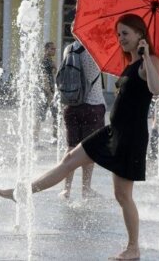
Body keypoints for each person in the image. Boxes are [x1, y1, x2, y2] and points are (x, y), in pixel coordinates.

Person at [0, 13, 159, 260]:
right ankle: (23, 193)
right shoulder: (129, 64)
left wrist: (146, 55)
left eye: (125, 33)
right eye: (119, 34)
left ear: (140, 34)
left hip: (131, 137)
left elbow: (157, 89)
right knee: (69, 160)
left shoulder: (151, 62)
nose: (120, 39)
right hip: (111, 132)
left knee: (123, 195)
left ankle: (133, 248)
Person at [59, 36, 106, 200]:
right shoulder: (96, 50)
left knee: (71, 147)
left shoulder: (69, 49)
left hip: (72, 105)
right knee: (89, 149)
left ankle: (66, 189)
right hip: (93, 105)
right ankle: (86, 188)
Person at [34, 41, 57, 144]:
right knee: (39, 116)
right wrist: (49, 93)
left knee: (56, 115)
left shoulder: (49, 60)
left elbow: (52, 75)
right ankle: (35, 140)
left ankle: (54, 137)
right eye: (52, 49)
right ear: (46, 49)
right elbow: (44, 78)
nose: (54, 50)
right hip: (45, 93)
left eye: (55, 49)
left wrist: (54, 67)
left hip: (50, 92)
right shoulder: (44, 61)